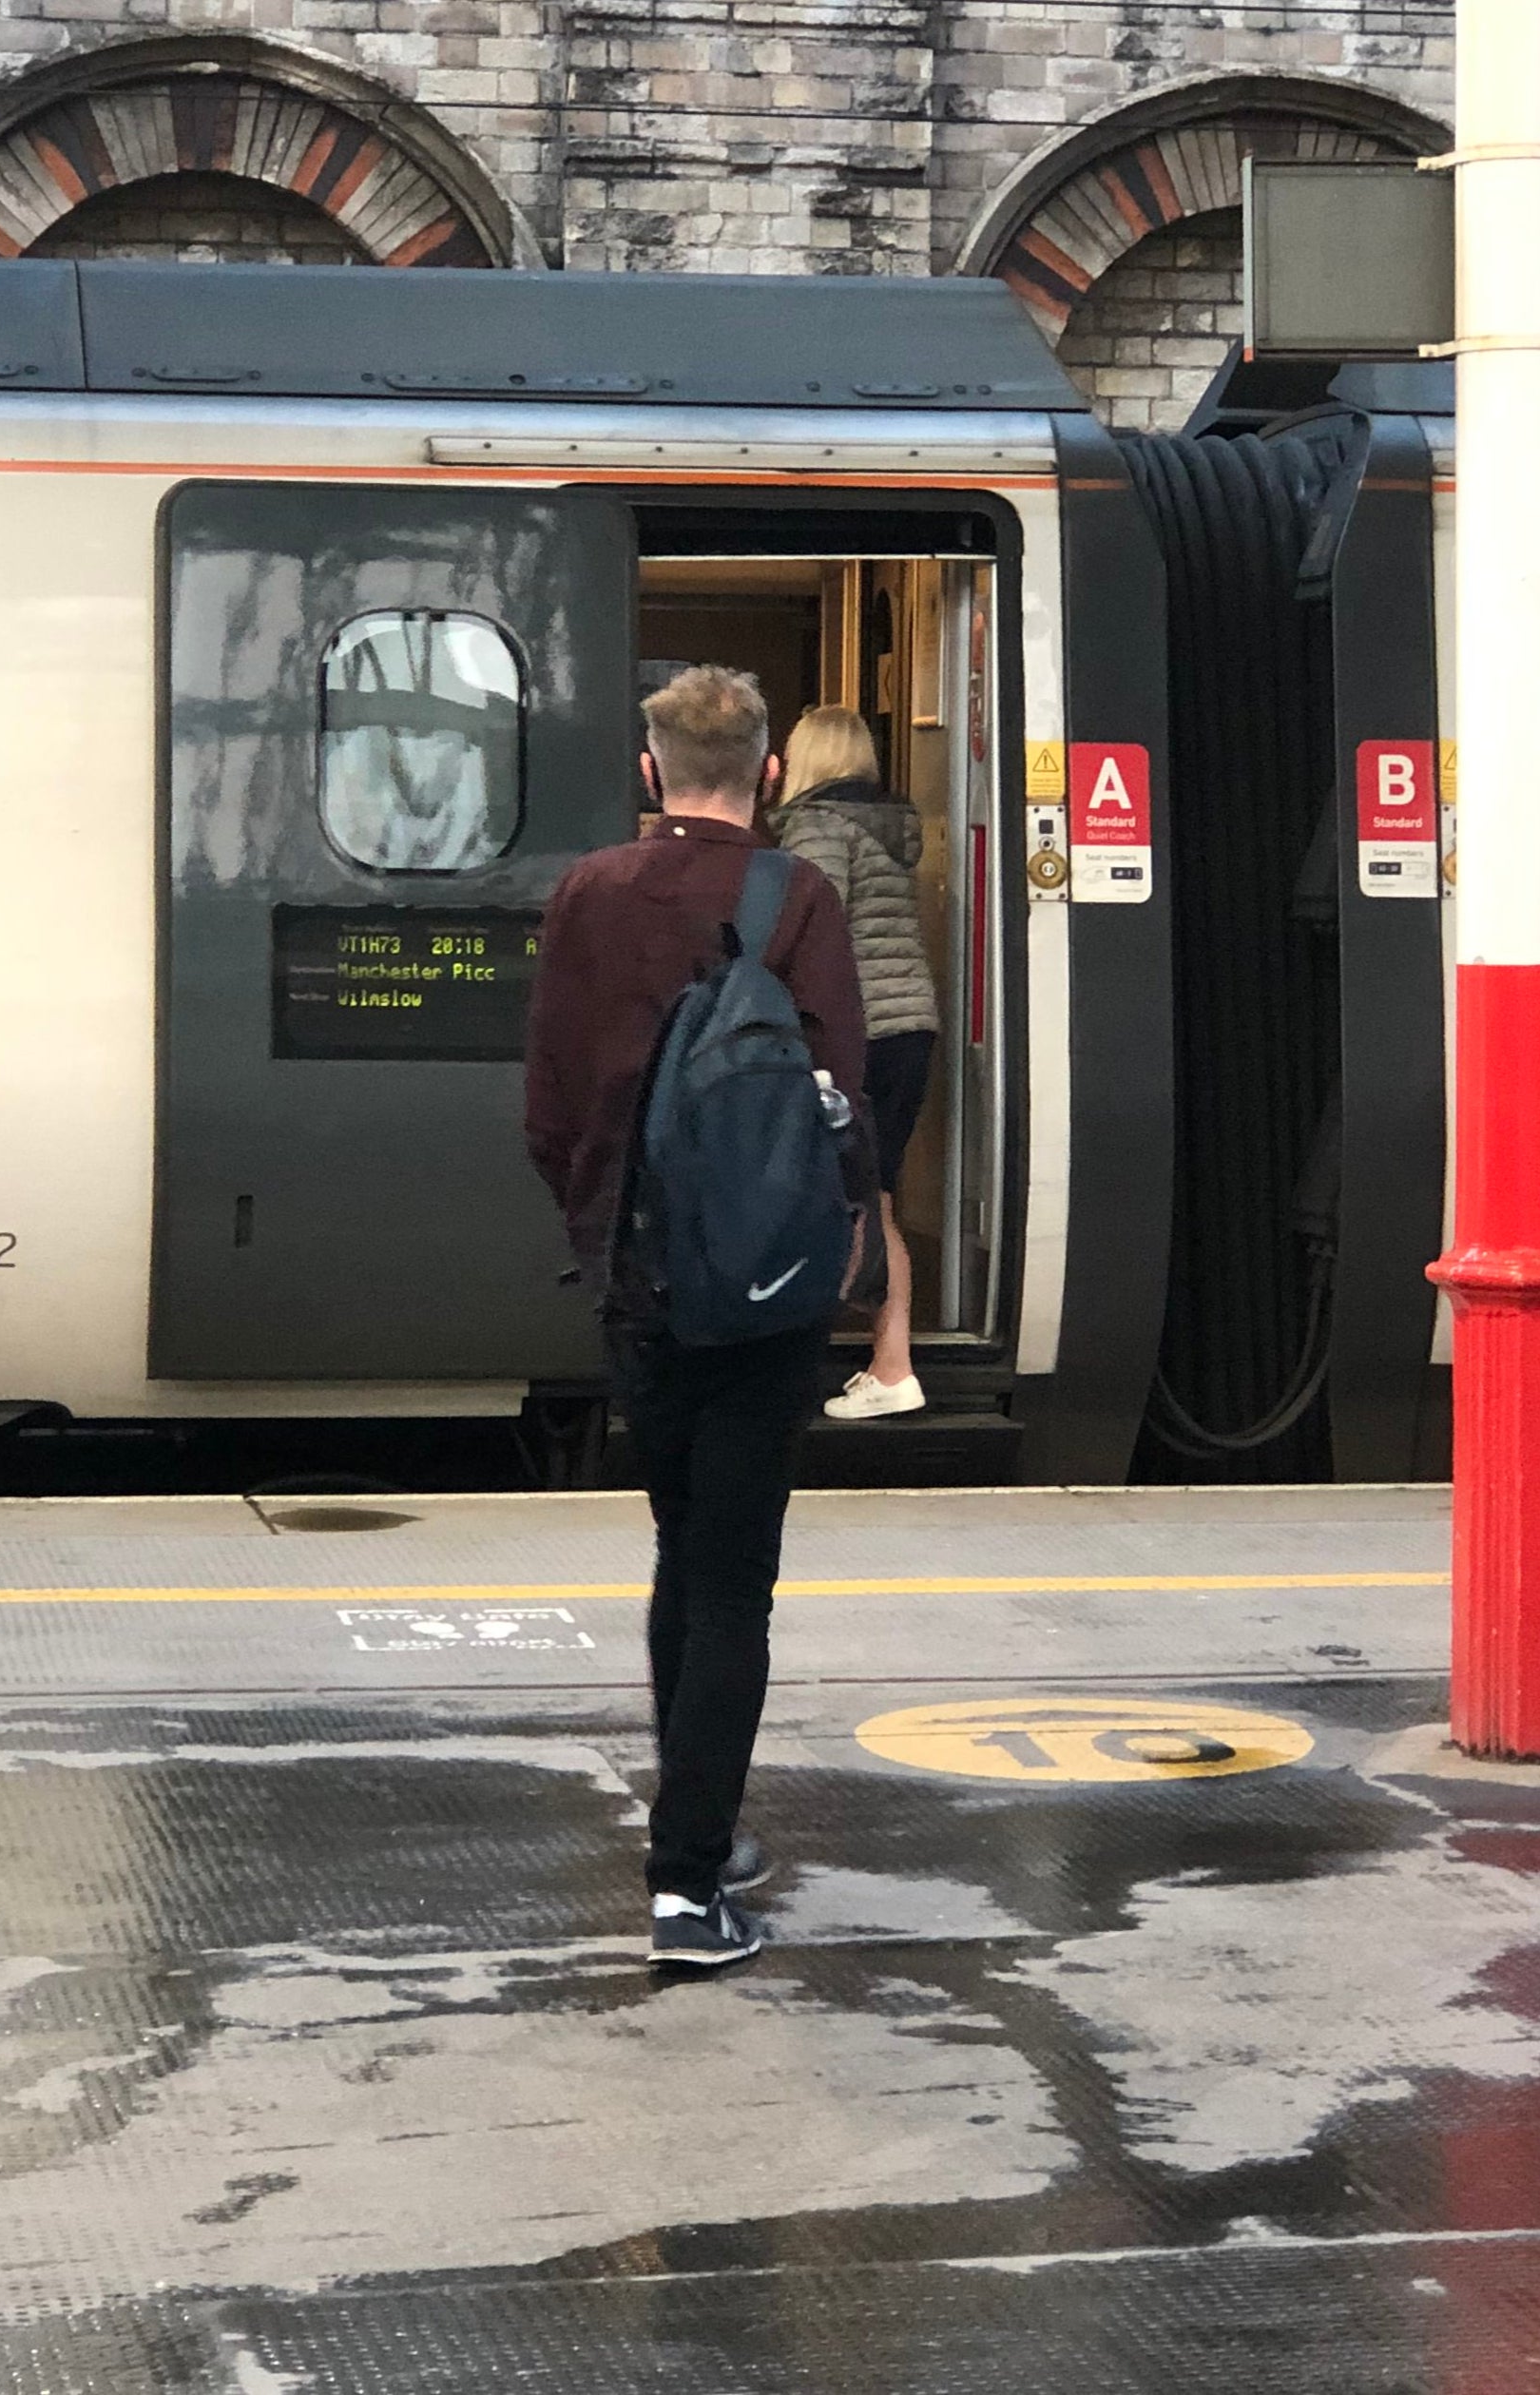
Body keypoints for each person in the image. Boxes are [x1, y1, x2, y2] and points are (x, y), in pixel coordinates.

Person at [524, 664, 869, 1970]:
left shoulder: (588, 892)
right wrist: (843, 1257)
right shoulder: (802, 895)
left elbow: (548, 1110)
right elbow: (844, 1095)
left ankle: (700, 1836)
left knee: (680, 1550)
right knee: (734, 1579)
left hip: (638, 1282)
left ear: (651, 767)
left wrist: (603, 1227)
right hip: (769, 1293)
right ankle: (688, 1881)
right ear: (769, 771)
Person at [772, 706, 942, 1421]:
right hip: (906, 1027)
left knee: (837, 1196)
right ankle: (885, 1357)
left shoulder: (816, 829)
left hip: (856, 1033)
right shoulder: (886, 827)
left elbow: (814, 933)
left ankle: (889, 1363)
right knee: (875, 1195)